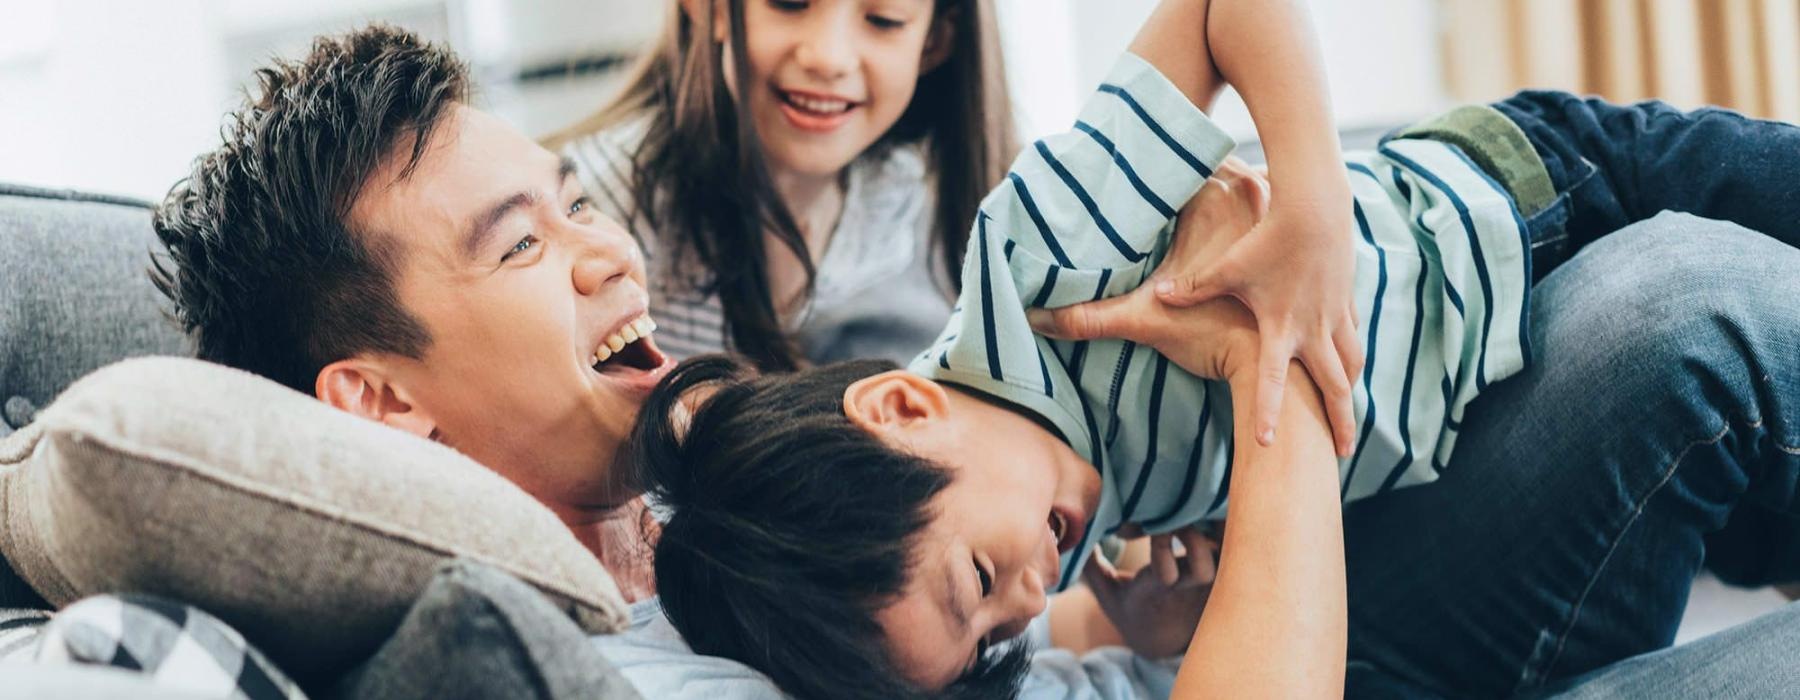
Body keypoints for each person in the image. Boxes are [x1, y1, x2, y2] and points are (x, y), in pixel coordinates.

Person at [149, 21, 1800, 700]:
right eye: (523, 245)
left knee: (1678, 301)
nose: (603, 254)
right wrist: (1260, 373)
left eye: (573, 205)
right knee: (1694, 314)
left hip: (1254, 582)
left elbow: (989, 591)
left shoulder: (696, 510)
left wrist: (1104, 599)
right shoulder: (623, 659)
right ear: (376, 405)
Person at [627, 0, 1800, 695]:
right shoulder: (1053, 505)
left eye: (985, 586)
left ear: (899, 409)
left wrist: (1312, 208)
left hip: (1522, 203)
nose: (1029, 598)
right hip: (1471, 401)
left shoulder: (1034, 267)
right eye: (997, 635)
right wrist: (1136, 626)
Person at [547, 0, 1015, 370]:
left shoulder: (909, 197)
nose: (828, 58)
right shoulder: (599, 209)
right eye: (789, 3)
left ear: (935, 40)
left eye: (884, 19)